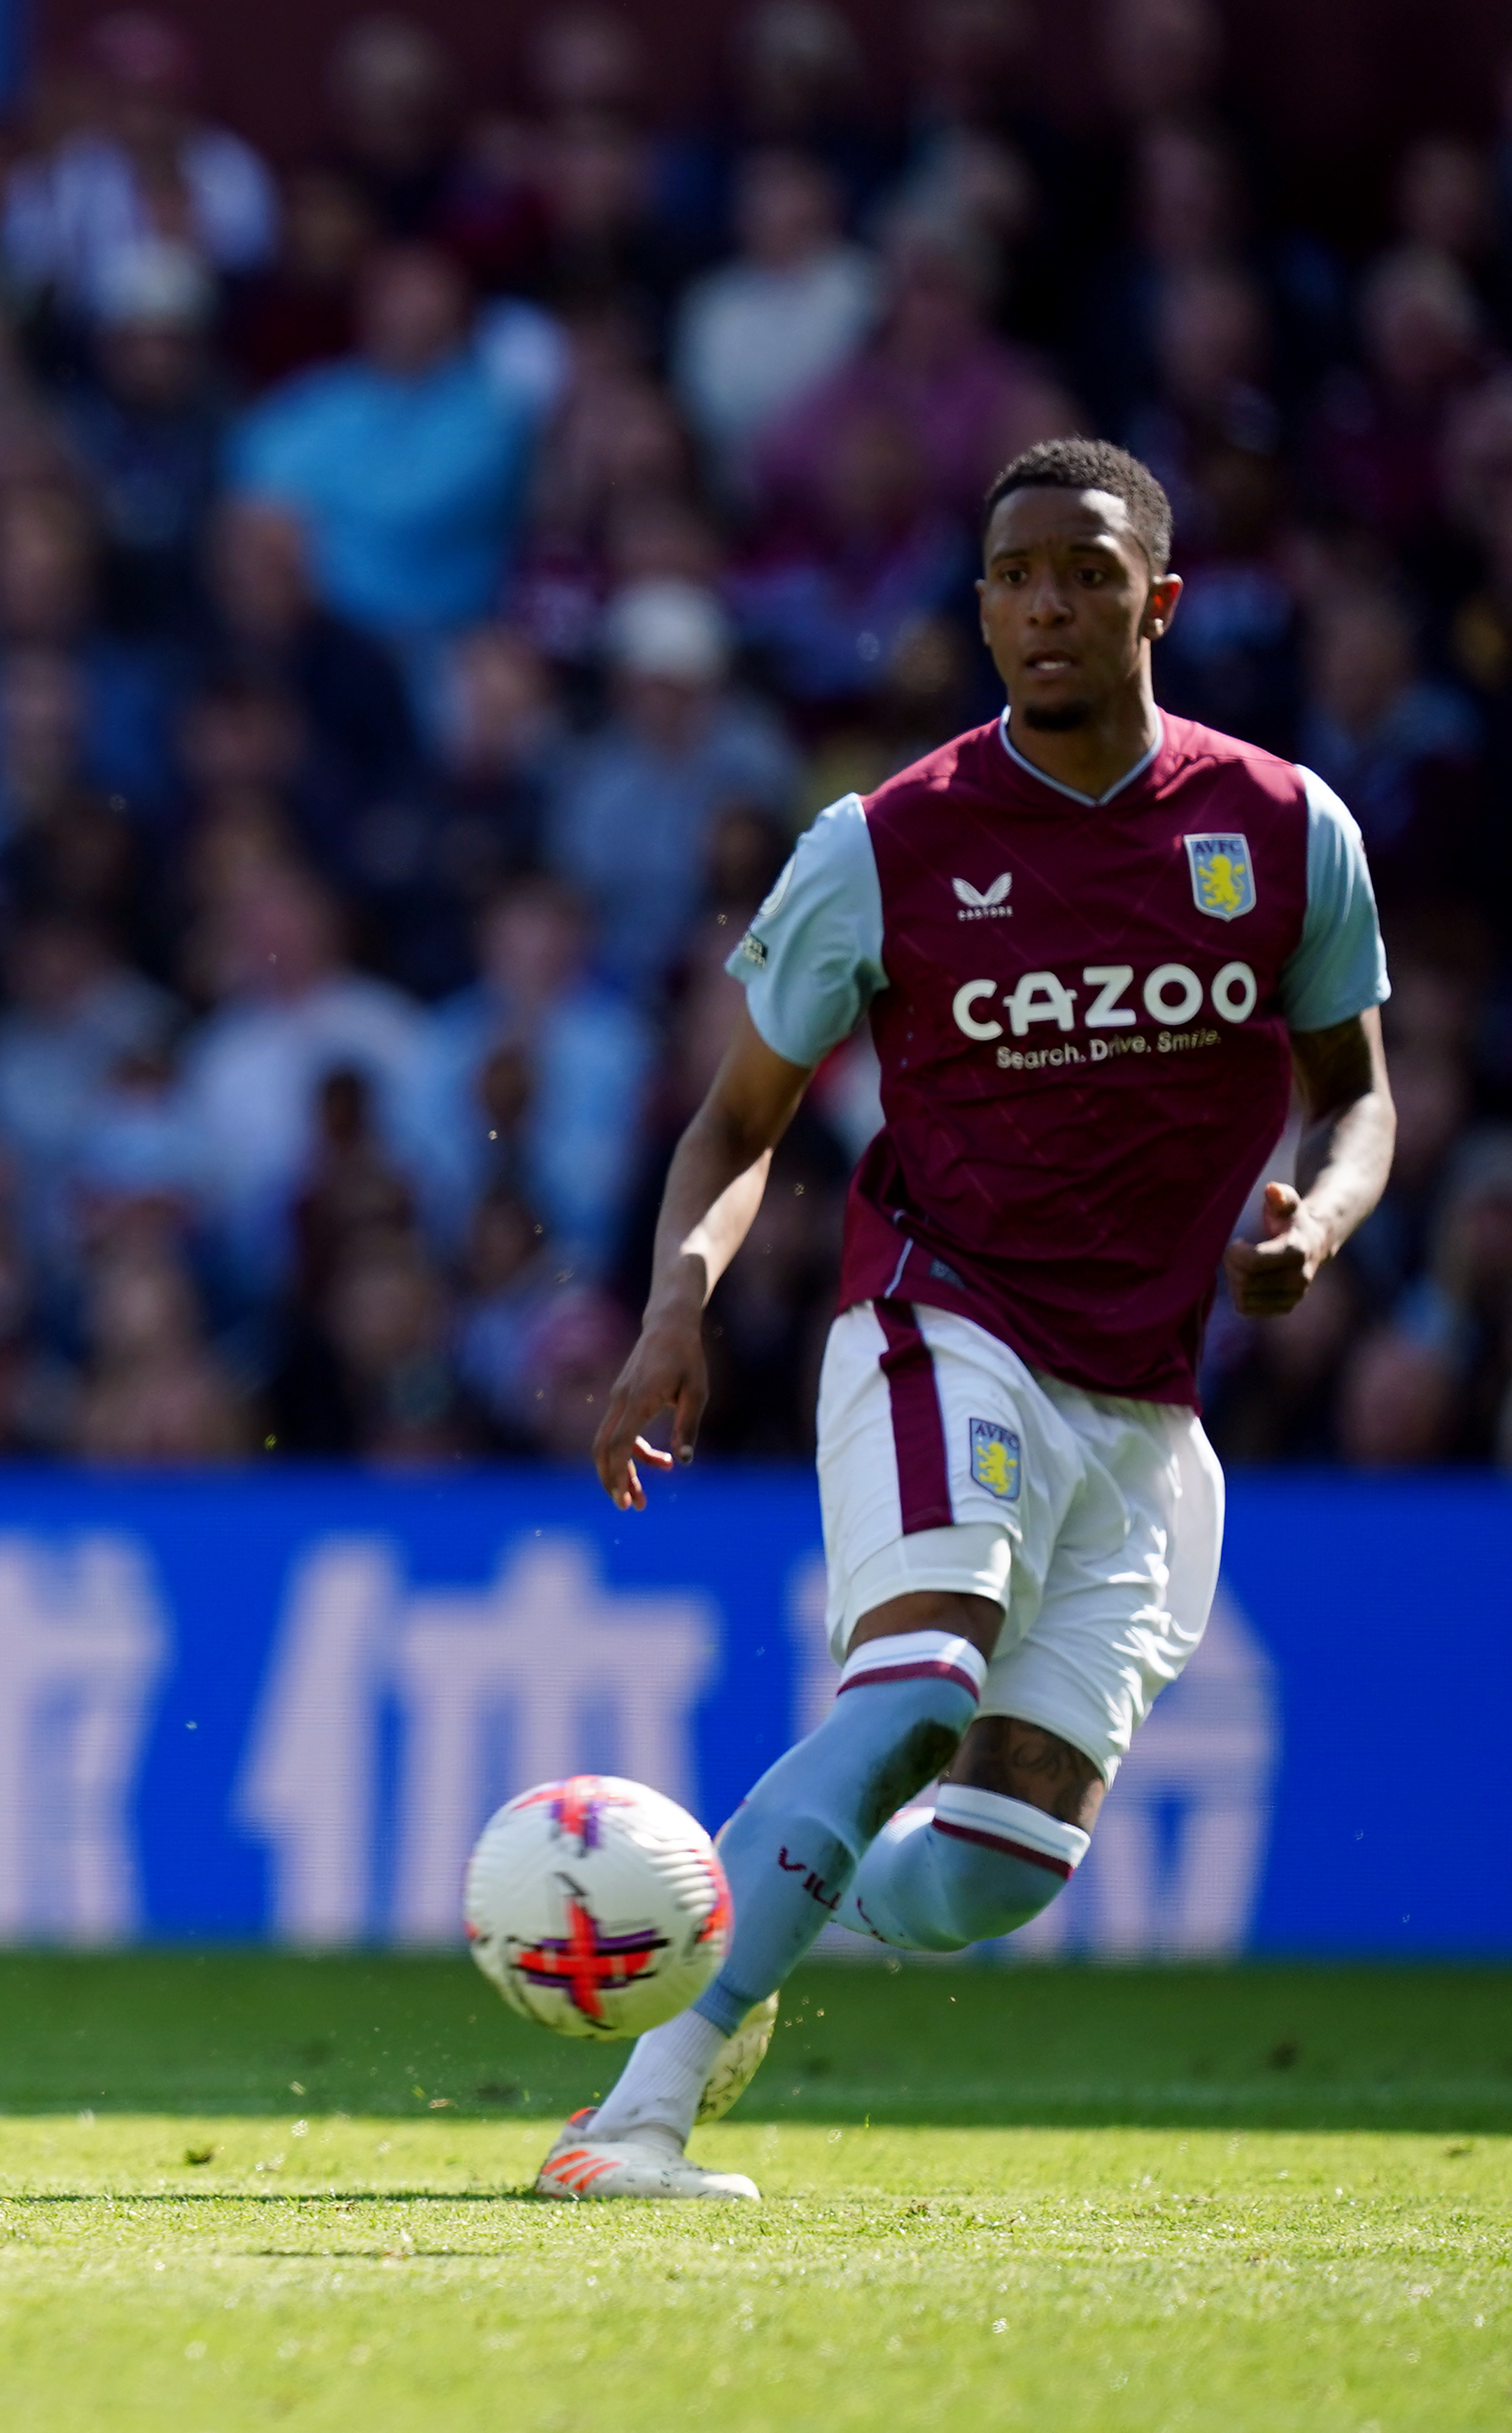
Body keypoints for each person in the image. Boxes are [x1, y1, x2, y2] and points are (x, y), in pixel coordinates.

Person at [552, 437, 1393, 2200]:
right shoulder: (885, 842)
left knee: (994, 1866)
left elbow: (1355, 1093)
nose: (1042, 606)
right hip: (941, 1320)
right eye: (1011, 576)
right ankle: (635, 2107)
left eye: (1082, 571)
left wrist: (1316, 1213)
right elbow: (731, 1119)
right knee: (921, 1676)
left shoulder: (1282, 830)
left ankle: (758, 1890)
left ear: (1154, 601)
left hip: (1147, 1406)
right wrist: (671, 1310)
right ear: (980, 607)